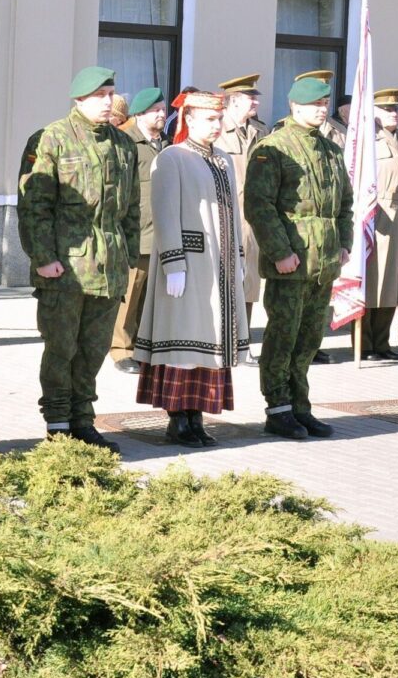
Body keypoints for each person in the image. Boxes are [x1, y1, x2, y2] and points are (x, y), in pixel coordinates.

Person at [18, 66, 140, 454]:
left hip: (109, 266)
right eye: (99, 95)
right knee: (61, 348)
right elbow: (34, 206)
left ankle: (83, 421)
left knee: (93, 349)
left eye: (111, 94)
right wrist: (43, 257)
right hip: (66, 267)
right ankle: (58, 424)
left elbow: (131, 208)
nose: (108, 102)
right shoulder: (51, 138)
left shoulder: (123, 145)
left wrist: (128, 254)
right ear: (79, 99)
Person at [132, 91, 245, 447]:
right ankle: (177, 417)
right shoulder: (171, 158)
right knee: (182, 337)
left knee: (210, 339)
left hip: (219, 265)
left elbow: (234, 212)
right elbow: (165, 212)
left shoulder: (223, 159)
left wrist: (239, 257)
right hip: (188, 263)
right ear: (189, 120)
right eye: (209, 119)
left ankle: (196, 415)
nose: (216, 125)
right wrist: (173, 261)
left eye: (219, 118)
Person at [243, 72, 350, 441]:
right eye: (313, 104)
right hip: (291, 260)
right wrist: (280, 252)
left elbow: (345, 204)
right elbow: (259, 206)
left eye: (324, 103)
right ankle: (278, 408)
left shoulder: (331, 150)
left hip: (323, 262)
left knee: (309, 339)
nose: (321, 110)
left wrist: (344, 242)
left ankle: (300, 406)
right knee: (282, 336)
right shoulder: (273, 148)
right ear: (294, 106)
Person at [357, 88, 398, 361]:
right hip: (377, 215)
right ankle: (364, 344)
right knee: (373, 283)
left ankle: (382, 342)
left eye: (396, 109)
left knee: (395, 283)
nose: (394, 113)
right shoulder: (367, 140)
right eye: (387, 109)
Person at [110, 87, 165, 374]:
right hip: (137, 232)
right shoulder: (128, 141)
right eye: (156, 111)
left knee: (148, 297)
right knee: (130, 295)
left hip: (160, 232)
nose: (162, 115)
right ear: (140, 114)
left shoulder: (164, 144)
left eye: (163, 110)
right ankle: (121, 349)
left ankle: (143, 348)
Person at [214, 73, 267, 356]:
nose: (256, 102)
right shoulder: (217, 130)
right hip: (225, 214)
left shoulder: (260, 131)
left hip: (252, 218)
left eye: (256, 97)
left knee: (248, 282)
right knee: (224, 280)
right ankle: (221, 340)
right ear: (233, 101)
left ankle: (241, 342)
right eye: (250, 98)